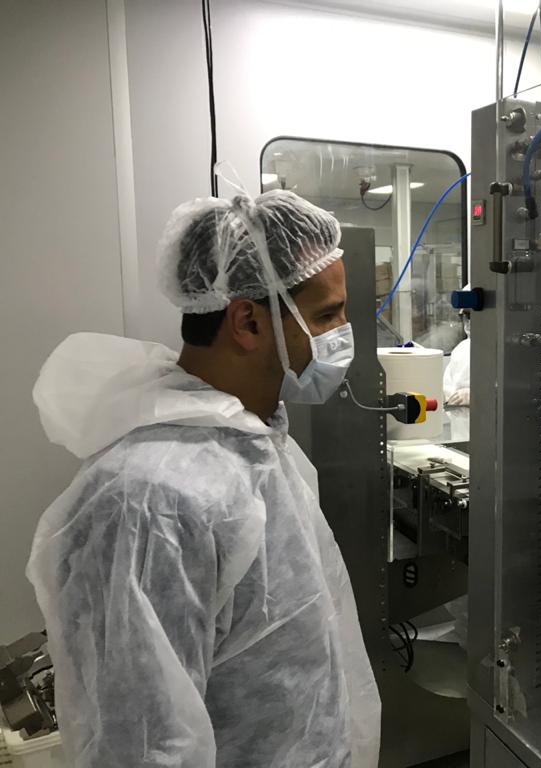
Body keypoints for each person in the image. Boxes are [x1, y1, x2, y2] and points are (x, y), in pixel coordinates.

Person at [27, 190, 382, 767]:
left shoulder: (255, 444)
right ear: (247, 322)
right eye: (325, 315)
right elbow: (142, 747)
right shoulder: (149, 500)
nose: (342, 332)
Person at [442, 294, 471, 442]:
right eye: (465, 317)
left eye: (471, 316)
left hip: (488, 426)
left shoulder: (502, 349)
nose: (468, 323)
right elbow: (447, 383)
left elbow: (512, 392)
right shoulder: (461, 349)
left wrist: (474, 395)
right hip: (460, 429)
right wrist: (449, 395)